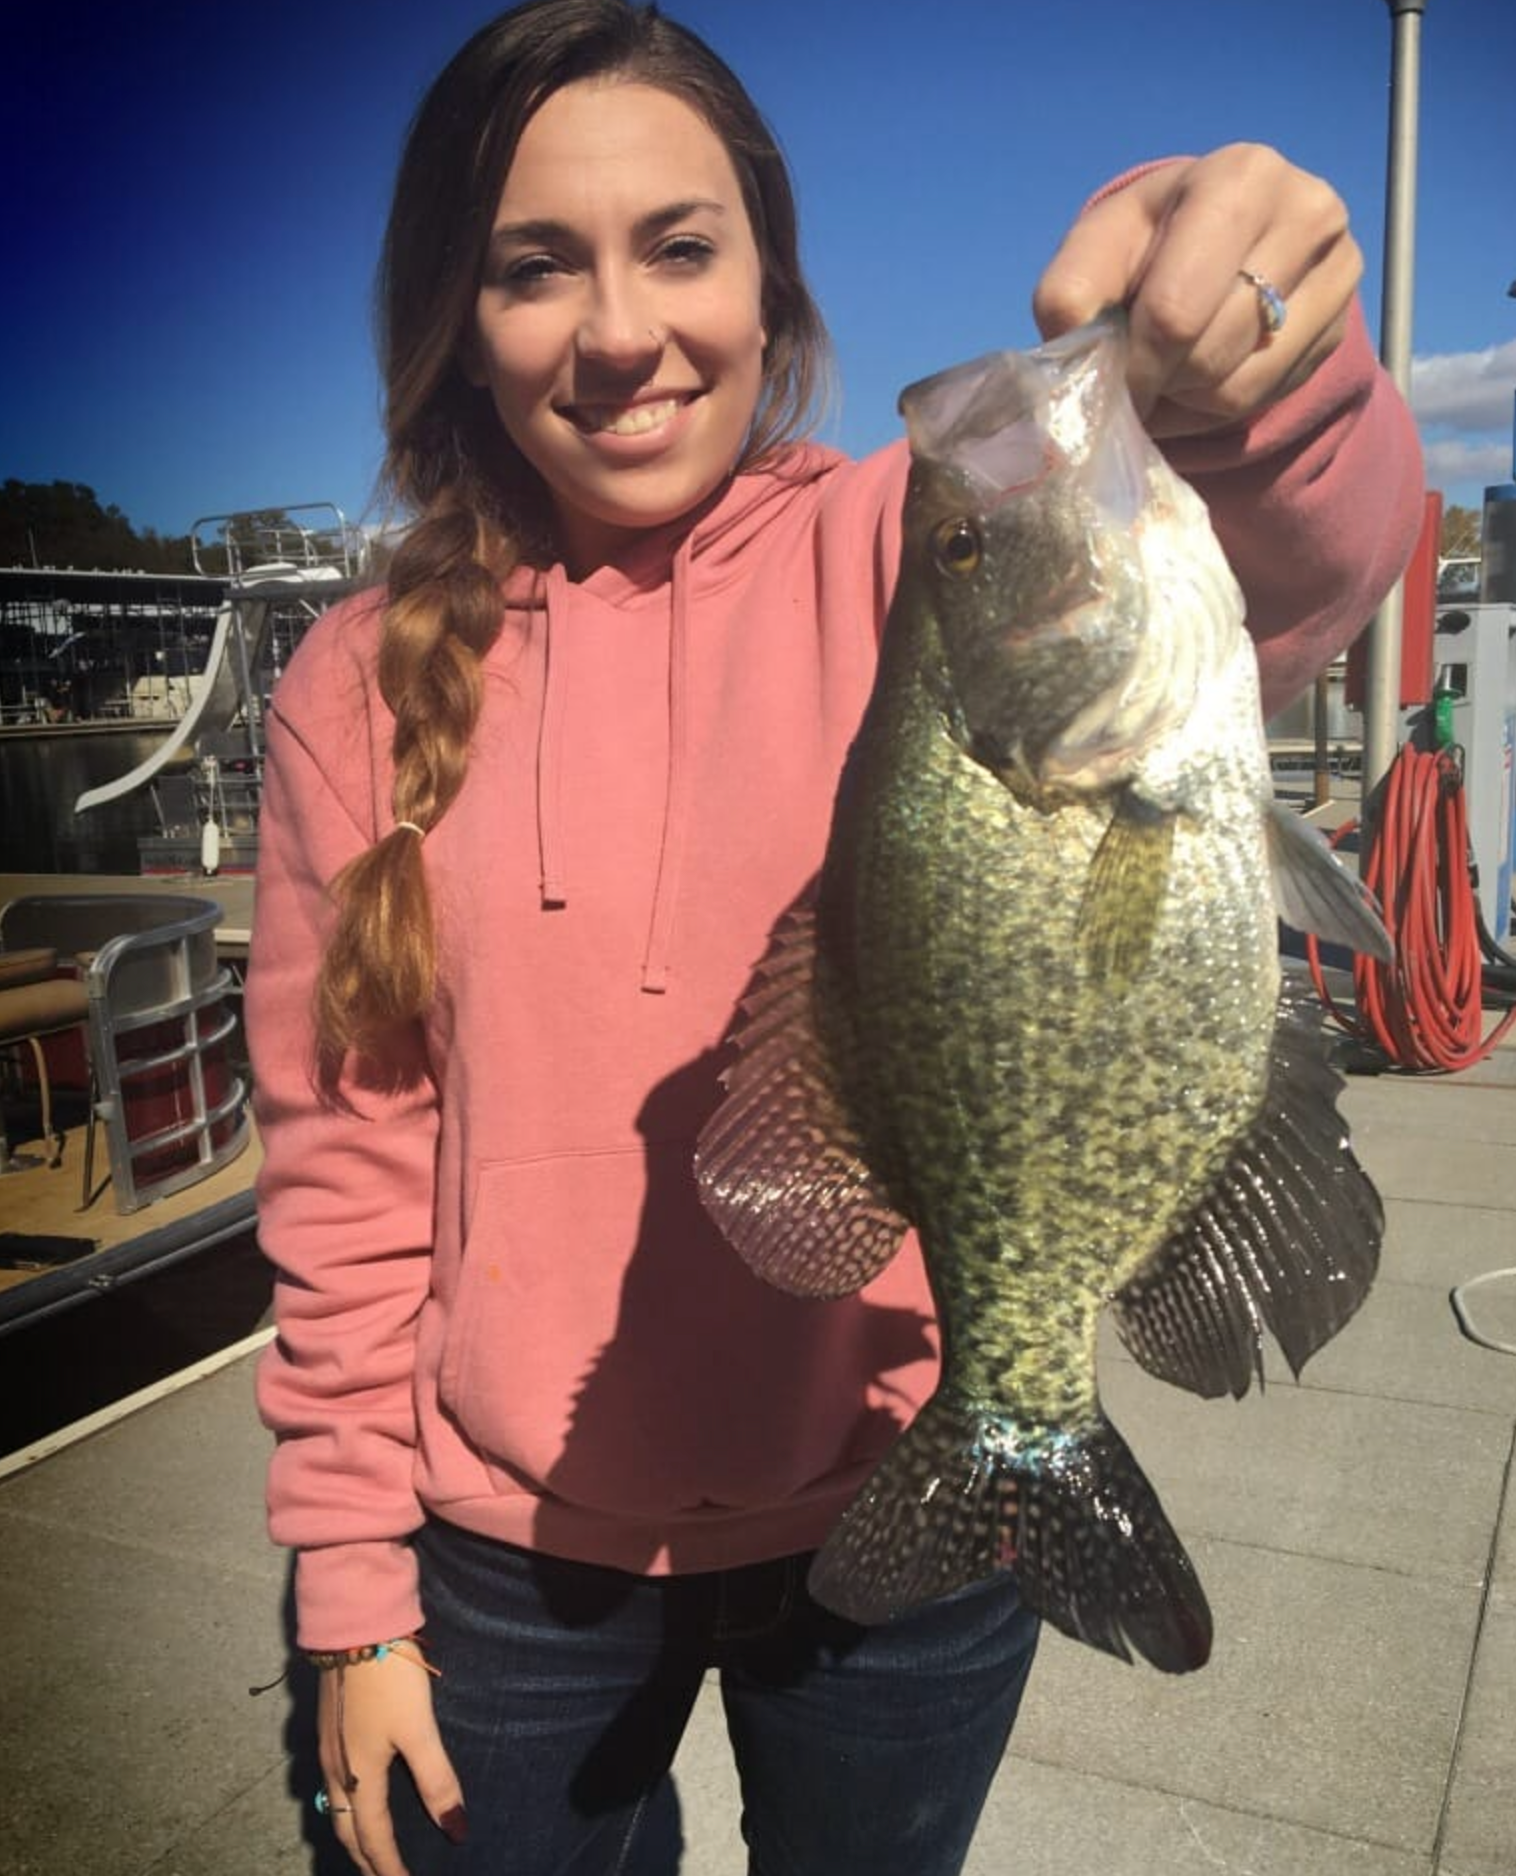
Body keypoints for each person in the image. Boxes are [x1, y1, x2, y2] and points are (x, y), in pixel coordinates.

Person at [246, 3, 1424, 1873]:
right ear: (455, 325)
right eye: (535, 267)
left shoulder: (906, 546)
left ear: (773, 285)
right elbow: (343, 1170)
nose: (622, 329)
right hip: (499, 1565)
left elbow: (1320, 552)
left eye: (682, 247)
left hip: (905, 1490)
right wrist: (352, 1595)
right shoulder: (353, 686)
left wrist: (1241, 339)